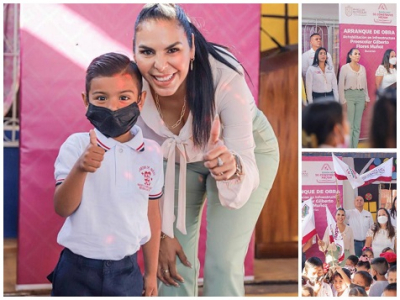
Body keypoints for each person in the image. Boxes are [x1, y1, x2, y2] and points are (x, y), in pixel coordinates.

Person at [132, 4, 279, 297]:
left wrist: (231, 167)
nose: (160, 65)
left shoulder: (225, 76)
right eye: (147, 52)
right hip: (174, 161)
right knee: (172, 263)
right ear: (135, 52)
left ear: (192, 48)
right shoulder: (131, 87)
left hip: (241, 155)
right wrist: (161, 234)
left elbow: (243, 160)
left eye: (172, 50)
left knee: (222, 264)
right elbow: (139, 168)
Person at [48, 53, 164, 296]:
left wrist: (150, 273)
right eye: (101, 98)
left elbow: (152, 212)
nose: (113, 107)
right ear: (86, 100)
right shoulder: (76, 146)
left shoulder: (151, 152)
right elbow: (62, 208)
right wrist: (81, 167)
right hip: (76, 270)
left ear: (140, 100)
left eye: (124, 97)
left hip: (127, 271)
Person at [338, 48, 370, 148]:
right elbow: (341, 85)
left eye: (359, 54)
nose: (358, 55)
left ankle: (354, 148)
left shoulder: (363, 68)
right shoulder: (345, 68)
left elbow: (365, 85)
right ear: (350, 56)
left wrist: (366, 98)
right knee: (350, 125)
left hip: (360, 96)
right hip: (349, 96)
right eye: (355, 54)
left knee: (357, 126)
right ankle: (348, 148)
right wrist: (343, 100)